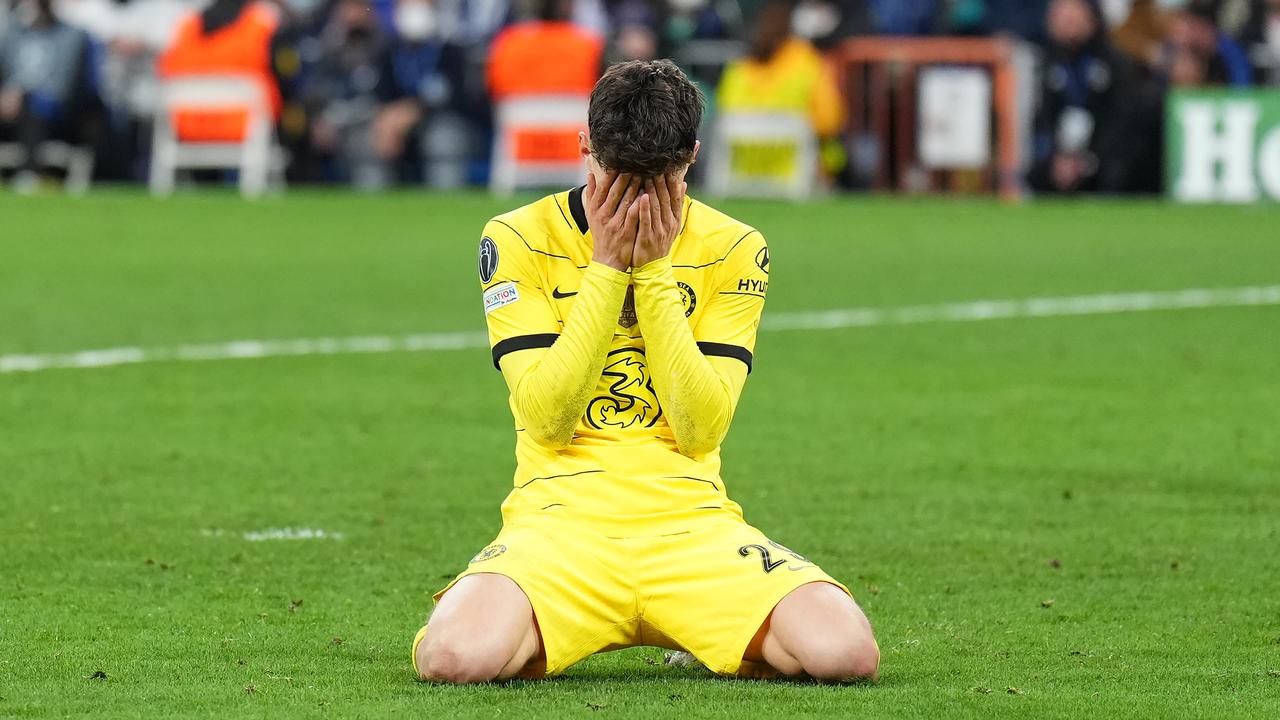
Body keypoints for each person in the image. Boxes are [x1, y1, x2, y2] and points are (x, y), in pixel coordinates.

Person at [412, 59, 880, 684]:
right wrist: (608, 268)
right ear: (584, 148)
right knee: (453, 659)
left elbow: (700, 430)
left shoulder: (735, 247)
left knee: (845, 653)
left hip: (691, 529)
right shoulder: (518, 237)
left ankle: (692, 627)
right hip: (559, 530)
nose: (633, 206)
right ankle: (550, 623)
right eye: (616, 181)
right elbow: (546, 421)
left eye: (656, 185)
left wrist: (653, 273)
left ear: (690, 157)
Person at [1029, 0, 1152, 193]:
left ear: (1092, 19)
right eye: (1061, 17)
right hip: (1063, 155)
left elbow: (1122, 121)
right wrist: (1058, 158)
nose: (1067, 24)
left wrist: (1091, 159)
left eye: (1073, 16)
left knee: (1119, 171)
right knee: (1035, 172)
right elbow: (1043, 118)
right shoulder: (1047, 63)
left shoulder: (1116, 64)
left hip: (1103, 156)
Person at [0, 0, 100, 188]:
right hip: (9, 105)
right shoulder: (13, 33)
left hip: (53, 109)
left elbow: (64, 84)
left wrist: (22, 94)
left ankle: (28, 174)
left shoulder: (71, 35)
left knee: (31, 109)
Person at [156, 0, 282, 143]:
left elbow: (164, 70)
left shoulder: (184, 29)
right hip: (245, 129)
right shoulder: (260, 27)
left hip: (187, 130)